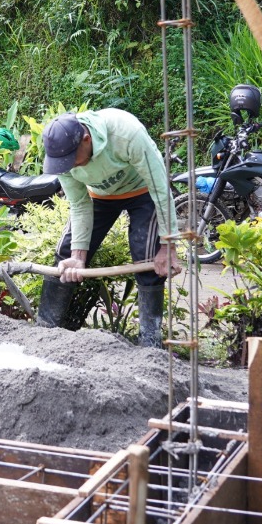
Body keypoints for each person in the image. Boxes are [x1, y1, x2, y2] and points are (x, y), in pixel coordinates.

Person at [36, 110, 179, 347]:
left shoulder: (126, 133)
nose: (69, 165)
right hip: (99, 196)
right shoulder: (61, 154)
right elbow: (79, 204)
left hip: (143, 191)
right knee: (66, 254)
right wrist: (78, 256)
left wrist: (168, 246)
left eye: (72, 158)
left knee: (147, 258)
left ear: (86, 139)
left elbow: (160, 188)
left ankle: (150, 345)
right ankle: (45, 333)